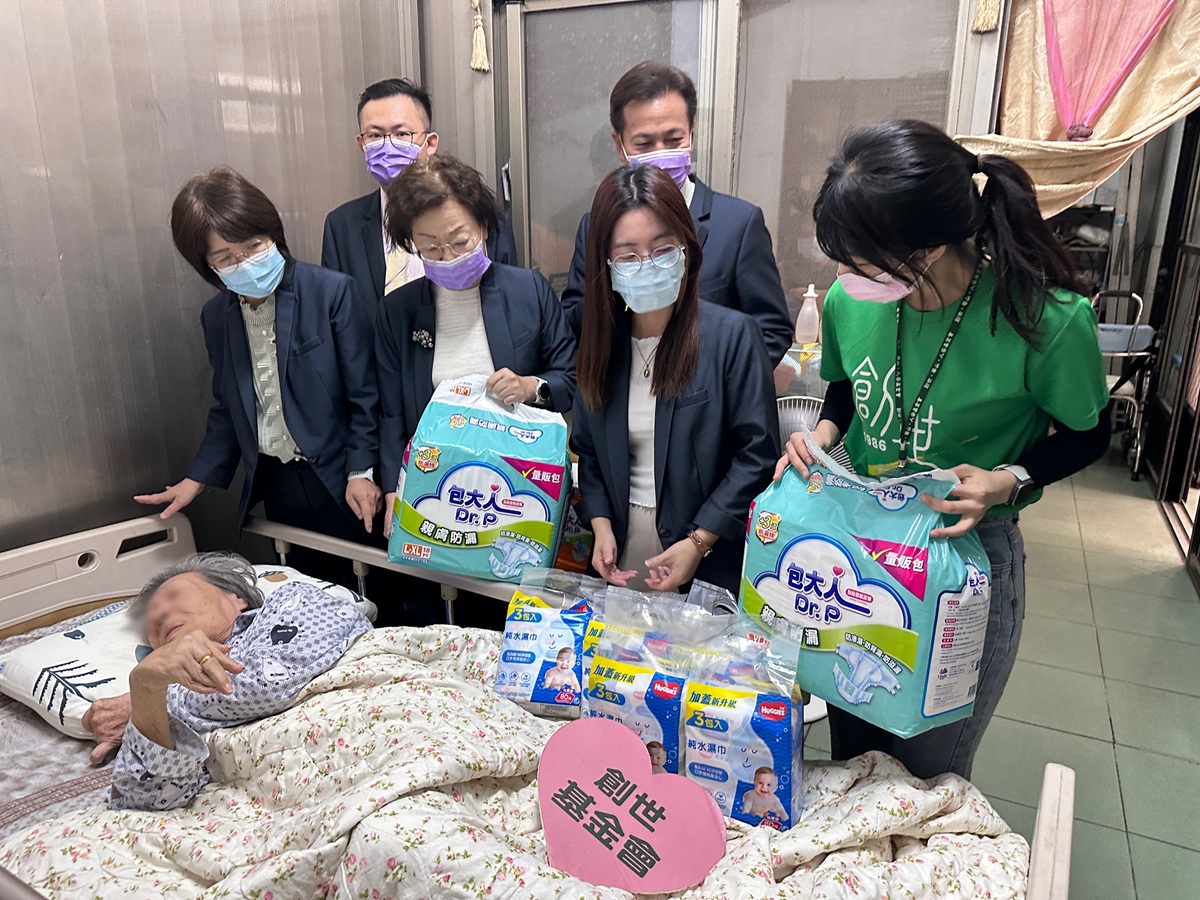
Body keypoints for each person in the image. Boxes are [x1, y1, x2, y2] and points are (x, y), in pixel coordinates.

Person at [778, 120, 1111, 780]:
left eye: (860, 258)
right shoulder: (851, 301)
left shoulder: (1041, 318)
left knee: (929, 771)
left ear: (928, 248)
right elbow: (844, 390)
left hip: (963, 553)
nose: (843, 275)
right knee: (853, 754)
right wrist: (823, 435)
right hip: (863, 543)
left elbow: (1089, 435)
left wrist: (1007, 479)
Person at [136, 168, 381, 563]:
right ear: (208, 267)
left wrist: (361, 472)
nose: (245, 262)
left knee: (370, 583)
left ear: (272, 234)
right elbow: (228, 408)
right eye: (225, 258)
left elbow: (366, 396)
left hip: (342, 478)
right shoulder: (217, 317)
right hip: (277, 482)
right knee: (300, 583)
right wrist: (197, 478)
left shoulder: (330, 292)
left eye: (253, 246)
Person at [570, 165, 778, 595]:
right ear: (606, 265)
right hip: (620, 557)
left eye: (662, 249)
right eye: (628, 256)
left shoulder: (732, 336)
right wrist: (601, 524)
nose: (647, 264)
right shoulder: (601, 343)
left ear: (687, 247)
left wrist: (699, 541)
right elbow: (588, 452)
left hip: (706, 561)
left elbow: (757, 456)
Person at [376, 154, 577, 528]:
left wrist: (530, 387)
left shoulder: (528, 291)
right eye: (431, 248)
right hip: (434, 486)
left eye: (459, 241)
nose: (447, 257)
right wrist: (393, 489)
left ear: (483, 227)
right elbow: (391, 414)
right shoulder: (398, 311)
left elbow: (571, 376)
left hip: (518, 486)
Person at [560, 61, 793, 366]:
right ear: (620, 145)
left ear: (691, 136)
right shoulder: (596, 226)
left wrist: (717, 381)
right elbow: (574, 324)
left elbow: (772, 330)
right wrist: (619, 286)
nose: (661, 153)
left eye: (673, 140)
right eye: (644, 144)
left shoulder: (739, 225)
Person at [103, 553, 370, 811]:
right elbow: (149, 798)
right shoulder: (154, 694)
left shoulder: (294, 601)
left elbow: (267, 683)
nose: (160, 614)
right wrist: (145, 686)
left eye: (174, 595)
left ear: (236, 597)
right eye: (151, 616)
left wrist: (155, 701)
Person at [322, 78, 518, 313]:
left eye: (401, 133)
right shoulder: (341, 227)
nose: (388, 146)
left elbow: (508, 303)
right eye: (375, 136)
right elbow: (338, 316)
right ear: (361, 144)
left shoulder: (480, 216)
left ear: (430, 143)